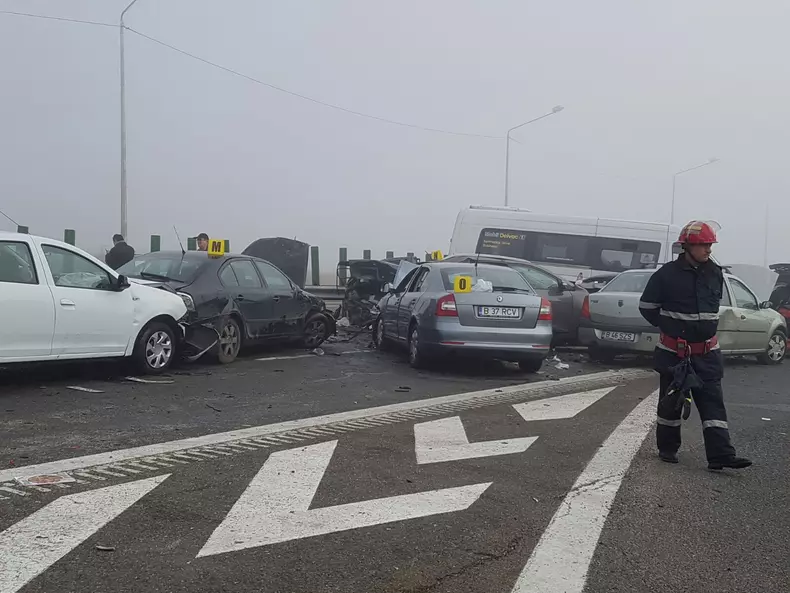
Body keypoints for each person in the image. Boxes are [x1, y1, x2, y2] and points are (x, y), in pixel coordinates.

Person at [638, 220, 752, 471]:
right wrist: (671, 329)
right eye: (703, 245)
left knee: (713, 403)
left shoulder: (715, 272)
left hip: (708, 354)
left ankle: (721, 455)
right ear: (687, 246)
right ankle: (667, 449)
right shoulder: (666, 274)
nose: (709, 250)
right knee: (671, 404)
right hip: (674, 354)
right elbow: (647, 307)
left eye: (710, 245)